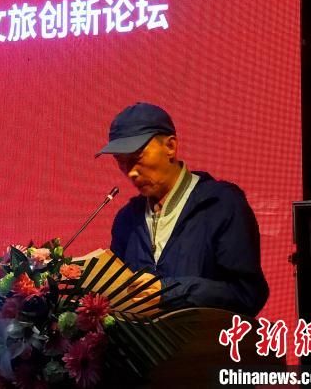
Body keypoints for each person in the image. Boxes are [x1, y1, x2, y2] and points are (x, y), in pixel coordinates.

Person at [96, 102, 269, 317]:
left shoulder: (221, 204)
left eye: (137, 158)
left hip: (204, 338)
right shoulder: (126, 219)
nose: (130, 172)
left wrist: (169, 293)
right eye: (121, 162)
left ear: (170, 146)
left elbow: (247, 294)